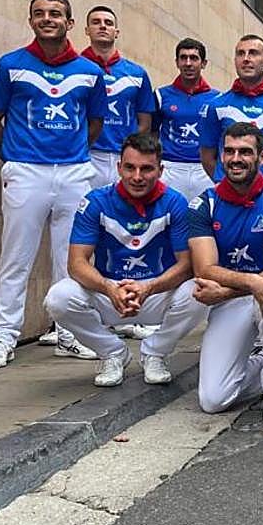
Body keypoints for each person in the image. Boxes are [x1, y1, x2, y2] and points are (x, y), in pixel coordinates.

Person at [0, 0, 106, 369]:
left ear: (69, 23)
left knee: (73, 260)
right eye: (39, 13)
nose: (47, 19)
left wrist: (71, 153)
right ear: (31, 20)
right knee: (15, 257)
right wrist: (15, 159)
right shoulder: (8, 65)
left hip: (74, 173)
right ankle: (4, 337)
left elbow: (94, 124)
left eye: (55, 13)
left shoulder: (91, 71)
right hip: (26, 172)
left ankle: (68, 333)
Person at [44, 133, 206, 386]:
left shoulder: (175, 202)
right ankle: (112, 353)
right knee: (59, 298)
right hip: (110, 293)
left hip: (156, 293)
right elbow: (76, 264)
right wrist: (109, 288)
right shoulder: (95, 202)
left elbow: (186, 265)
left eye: (147, 169)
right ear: (119, 168)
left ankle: (155, 353)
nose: (137, 176)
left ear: (161, 170)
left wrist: (148, 287)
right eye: (130, 168)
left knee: (199, 291)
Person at [187, 123, 263, 424]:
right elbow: (204, 269)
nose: (236, 159)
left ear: (262, 157)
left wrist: (250, 286)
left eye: (245, 152)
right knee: (213, 400)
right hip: (234, 299)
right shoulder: (205, 203)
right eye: (229, 151)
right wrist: (252, 283)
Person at [199, 35, 263, 187]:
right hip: (229, 194)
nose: (246, 59)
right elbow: (207, 157)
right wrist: (226, 184)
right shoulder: (216, 106)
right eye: (241, 54)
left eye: (253, 53)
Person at [81, 5, 156, 188]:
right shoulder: (76, 69)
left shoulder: (137, 73)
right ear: (87, 30)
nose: (102, 26)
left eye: (108, 23)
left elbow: (145, 122)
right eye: (96, 22)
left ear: (116, 32)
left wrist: (130, 150)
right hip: (86, 155)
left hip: (124, 158)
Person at [155, 38, 219, 200]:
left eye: (194, 58)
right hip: (170, 168)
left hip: (205, 170)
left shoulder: (218, 99)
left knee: (206, 214)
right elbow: (151, 133)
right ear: (177, 62)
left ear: (204, 63)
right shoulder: (161, 95)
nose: (188, 63)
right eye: (183, 58)